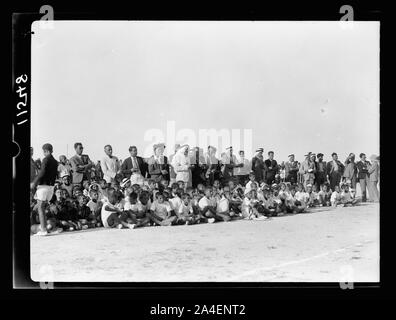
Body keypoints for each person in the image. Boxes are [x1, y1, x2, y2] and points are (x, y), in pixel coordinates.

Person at [30, 143, 61, 236]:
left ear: (45, 151)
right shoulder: (55, 161)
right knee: (44, 207)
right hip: (51, 187)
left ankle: (43, 229)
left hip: (43, 186)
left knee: (40, 207)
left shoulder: (45, 159)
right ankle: (50, 228)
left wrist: (34, 182)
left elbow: (42, 172)